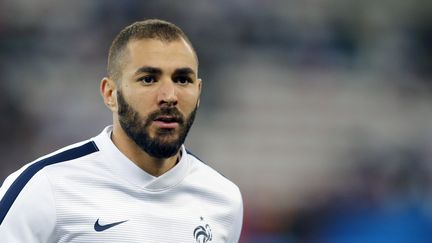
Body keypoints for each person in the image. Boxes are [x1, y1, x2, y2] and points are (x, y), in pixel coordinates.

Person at [0, 19, 243, 243]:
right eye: (148, 79)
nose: (169, 96)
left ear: (199, 92)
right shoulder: (44, 187)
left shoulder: (223, 200)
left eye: (182, 80)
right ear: (110, 94)